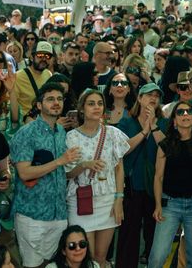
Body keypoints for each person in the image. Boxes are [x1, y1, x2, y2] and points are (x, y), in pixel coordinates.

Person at [11, 84, 83, 268]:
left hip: (58, 213)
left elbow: (61, 171)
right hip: (32, 213)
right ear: (38, 105)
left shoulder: (60, 133)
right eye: (50, 99)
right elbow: (24, 173)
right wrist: (60, 161)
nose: (56, 103)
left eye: (59, 99)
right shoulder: (26, 133)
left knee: (53, 265)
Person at [64, 88, 130, 267]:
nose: (96, 107)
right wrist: (85, 165)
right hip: (80, 200)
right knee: (86, 257)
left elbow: (119, 169)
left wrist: (119, 199)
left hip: (107, 199)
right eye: (91, 104)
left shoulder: (112, 133)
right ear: (82, 109)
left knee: (101, 257)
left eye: (100, 104)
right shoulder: (71, 137)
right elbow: (67, 174)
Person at [149, 99, 192, 268]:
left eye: (189, 111)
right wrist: (158, 205)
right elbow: (158, 177)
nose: (185, 114)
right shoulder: (165, 144)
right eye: (180, 112)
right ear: (174, 120)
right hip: (170, 204)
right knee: (158, 256)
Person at [116, 83, 164, 268]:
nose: (153, 99)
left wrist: (154, 127)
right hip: (132, 185)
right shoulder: (127, 121)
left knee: (153, 234)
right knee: (129, 233)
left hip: (154, 187)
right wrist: (144, 131)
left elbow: (167, 148)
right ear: (140, 98)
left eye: (157, 96)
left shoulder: (163, 122)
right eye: (149, 95)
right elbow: (122, 149)